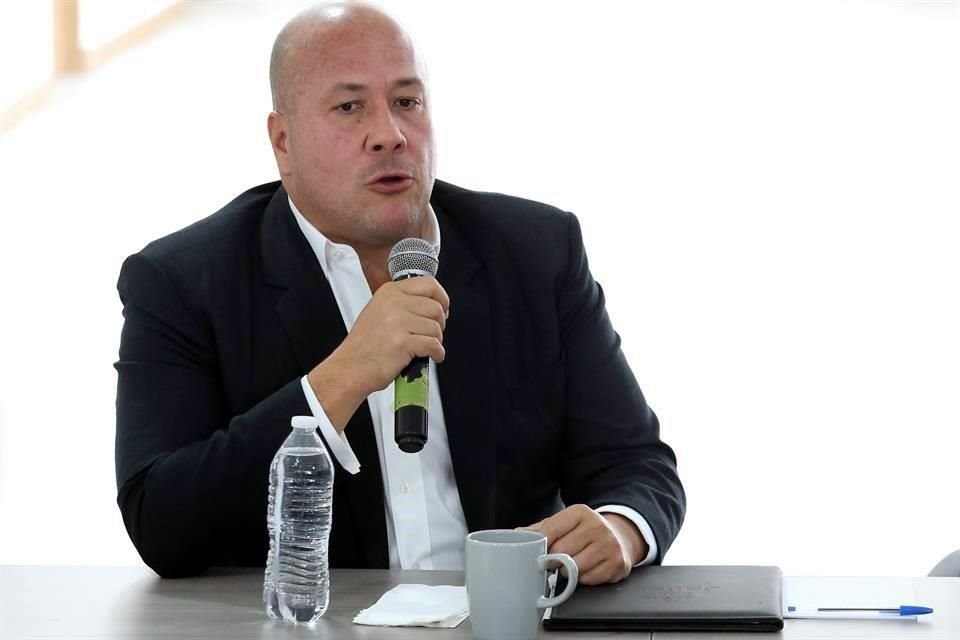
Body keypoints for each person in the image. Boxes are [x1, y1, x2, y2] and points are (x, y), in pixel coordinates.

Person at [114, 2, 685, 583]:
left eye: (407, 102)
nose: (388, 135)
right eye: (349, 107)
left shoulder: (535, 251)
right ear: (283, 141)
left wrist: (621, 528)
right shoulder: (183, 281)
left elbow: (635, 463)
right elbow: (160, 521)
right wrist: (341, 377)